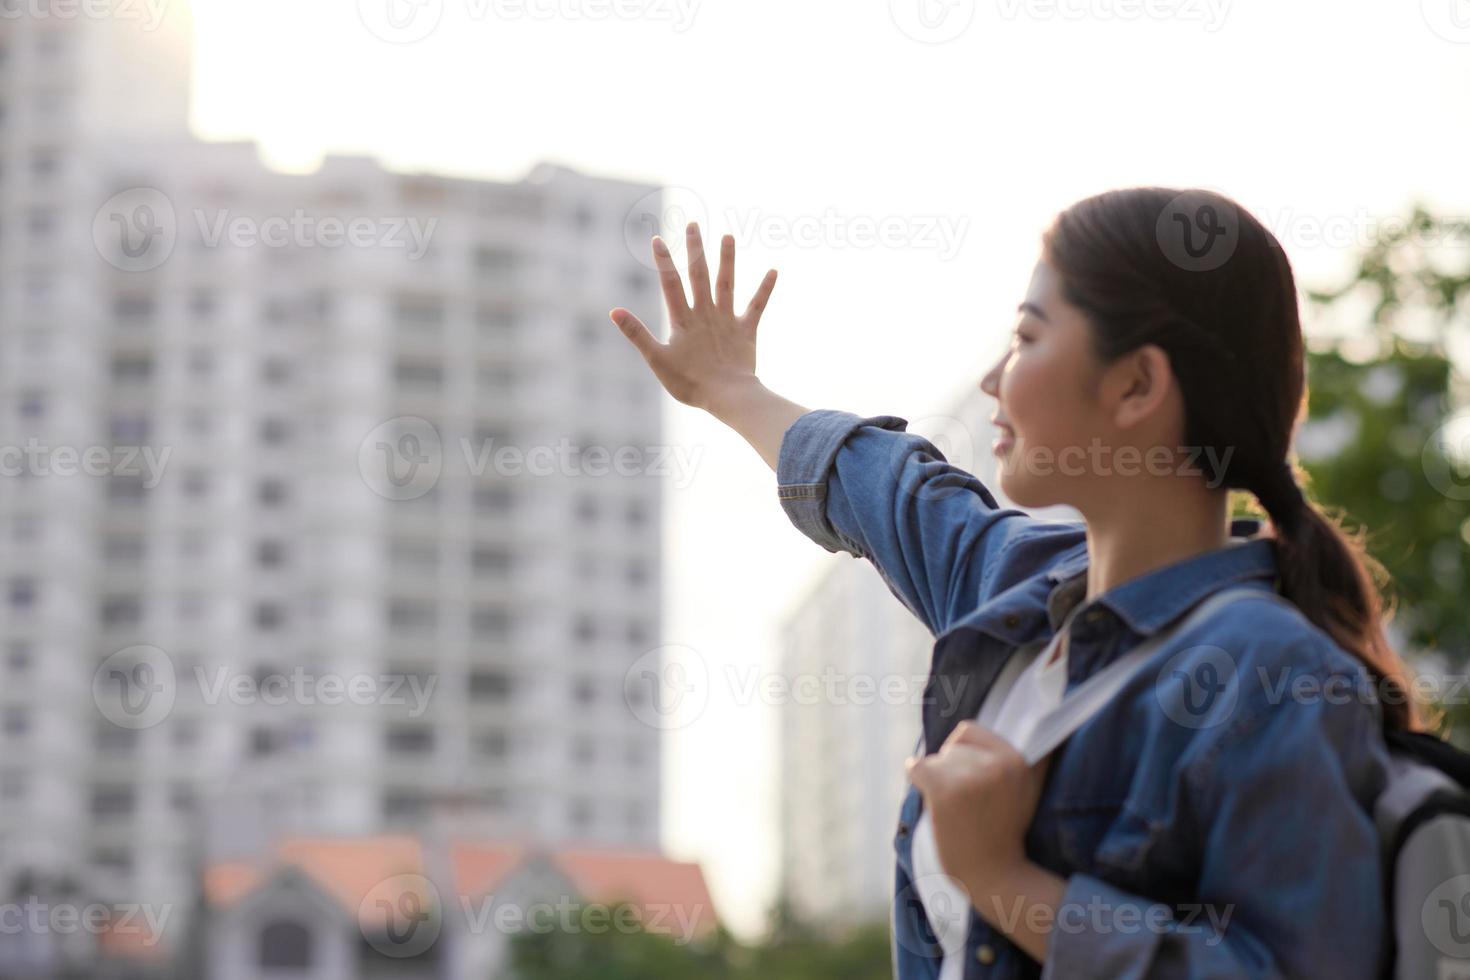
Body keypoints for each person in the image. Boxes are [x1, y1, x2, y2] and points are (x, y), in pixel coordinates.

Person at [608, 187, 1427, 978]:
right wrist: (730, 389)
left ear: (1137, 384)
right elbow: (886, 489)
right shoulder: (1020, 595)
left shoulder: (1271, 670)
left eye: (1029, 338)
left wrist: (1006, 883)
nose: (995, 378)